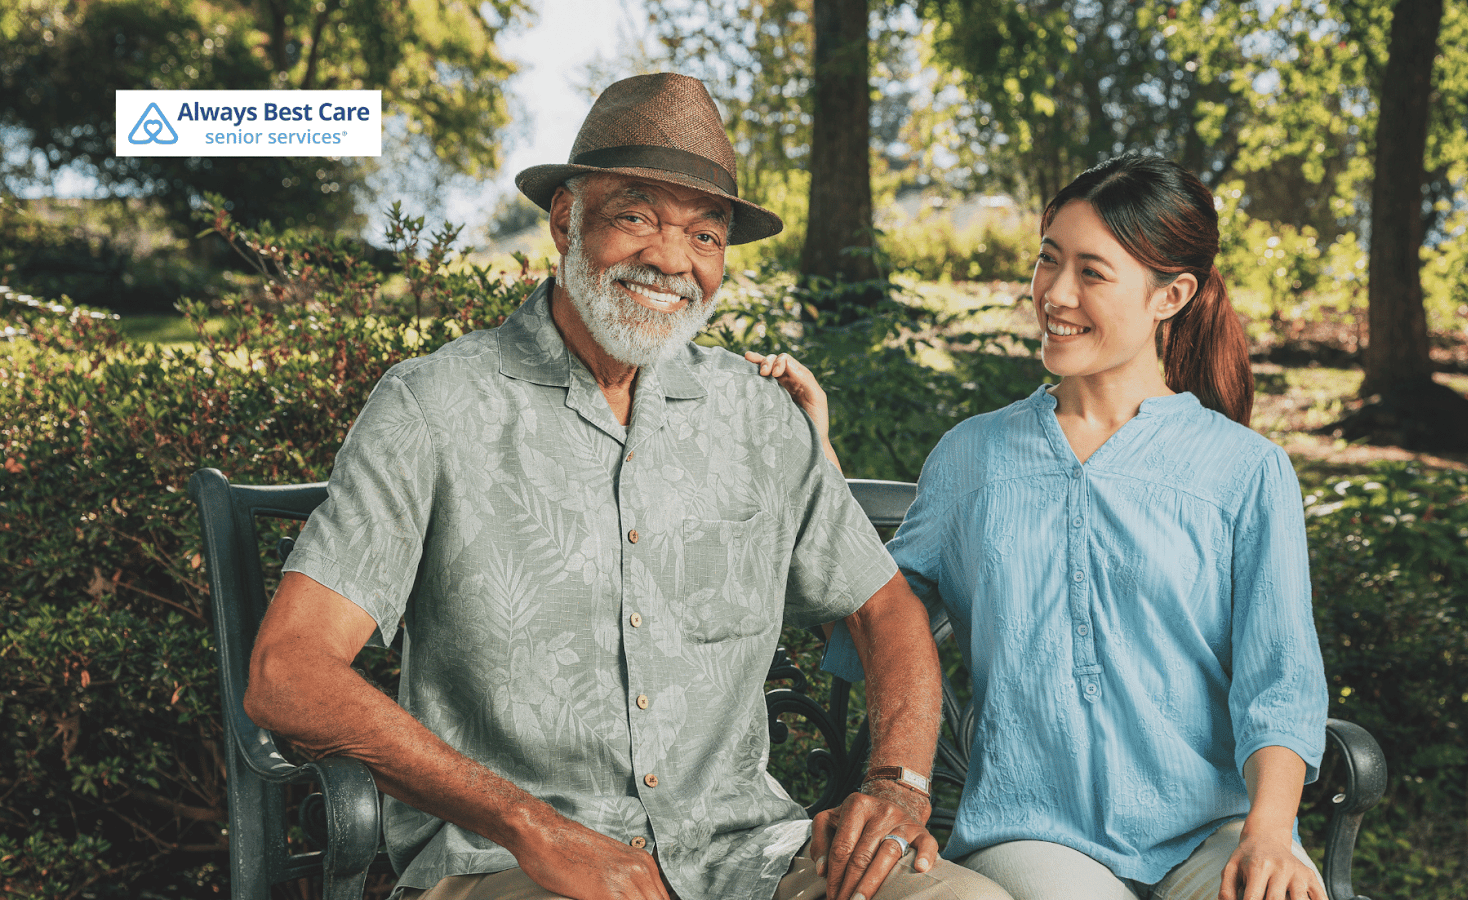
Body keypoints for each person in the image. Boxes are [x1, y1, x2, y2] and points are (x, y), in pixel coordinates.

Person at [242, 73, 1009, 900]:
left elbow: (883, 607)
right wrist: (532, 827)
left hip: (748, 857)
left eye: (705, 235)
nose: (672, 261)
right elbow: (287, 673)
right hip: (511, 866)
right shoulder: (435, 407)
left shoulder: (755, 416)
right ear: (567, 221)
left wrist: (897, 783)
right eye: (636, 216)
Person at [769, 154, 1329, 900]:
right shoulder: (972, 458)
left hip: (1216, 830)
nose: (1055, 294)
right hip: (1035, 831)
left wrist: (1268, 832)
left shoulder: (1247, 471)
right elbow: (875, 614)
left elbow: (1280, 685)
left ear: (1173, 294)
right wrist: (821, 465)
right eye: (1048, 260)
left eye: (1092, 273)